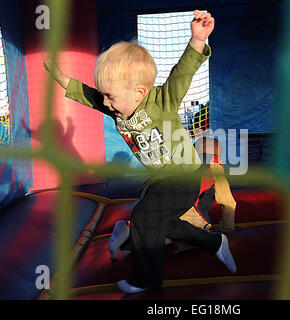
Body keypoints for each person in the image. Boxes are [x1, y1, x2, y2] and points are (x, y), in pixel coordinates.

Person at [44, 10, 236, 294]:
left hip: (184, 174)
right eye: (105, 96)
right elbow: (89, 95)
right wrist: (61, 77)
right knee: (162, 223)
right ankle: (214, 243)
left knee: (146, 216)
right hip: (162, 179)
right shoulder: (117, 111)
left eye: (111, 97)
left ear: (139, 91)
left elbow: (182, 72)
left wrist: (197, 40)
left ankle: (146, 278)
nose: (106, 104)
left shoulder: (161, 100)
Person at [179, 136, 236, 233]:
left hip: (162, 205)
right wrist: (228, 229)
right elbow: (228, 203)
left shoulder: (181, 160)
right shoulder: (214, 166)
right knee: (210, 234)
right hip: (185, 211)